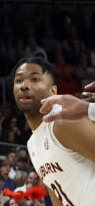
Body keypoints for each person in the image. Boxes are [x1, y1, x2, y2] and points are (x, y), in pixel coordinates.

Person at [13, 57, 95, 205]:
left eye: (35, 79)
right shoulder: (32, 144)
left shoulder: (64, 121)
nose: (24, 86)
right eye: (19, 80)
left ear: (53, 91)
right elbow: (57, 195)